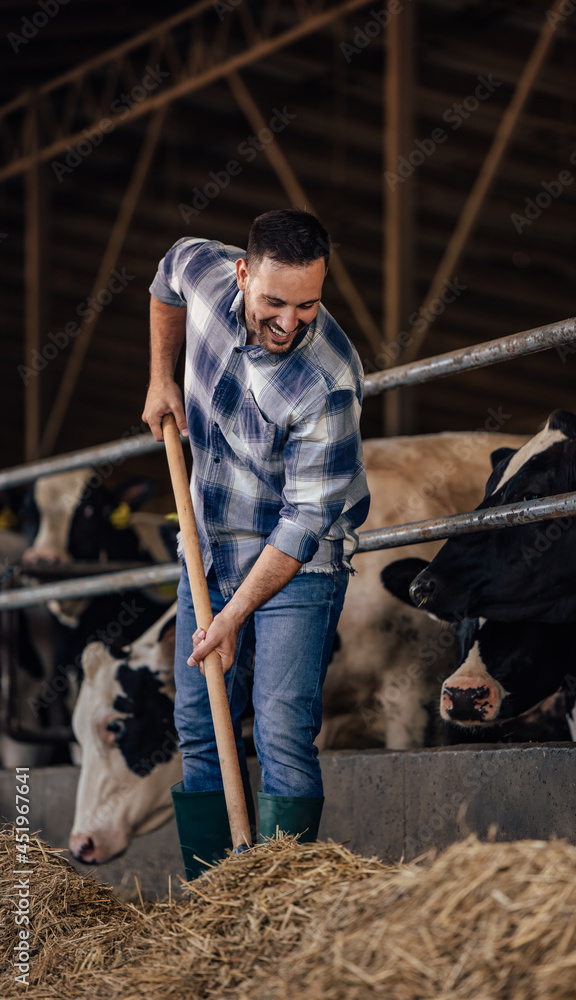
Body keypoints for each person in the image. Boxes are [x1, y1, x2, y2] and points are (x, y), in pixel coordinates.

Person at [142, 209, 370, 879]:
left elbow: (302, 526)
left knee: (280, 736)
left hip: (294, 569)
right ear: (242, 274)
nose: (289, 321)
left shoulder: (329, 382)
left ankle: (276, 911)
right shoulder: (208, 278)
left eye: (308, 304)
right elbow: (167, 273)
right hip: (205, 549)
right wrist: (162, 377)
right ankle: (211, 911)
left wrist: (233, 618)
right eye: (274, 300)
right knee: (197, 728)